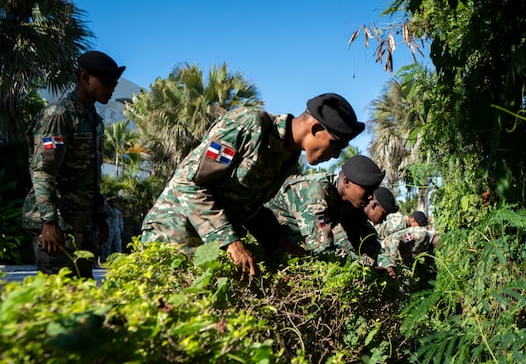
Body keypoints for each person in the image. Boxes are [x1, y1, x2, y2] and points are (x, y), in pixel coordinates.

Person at [141, 93, 365, 276]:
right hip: (173, 234)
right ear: (315, 128)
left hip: (209, 247)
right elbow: (189, 183)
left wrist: (282, 243)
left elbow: (249, 208)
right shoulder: (249, 125)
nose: (336, 155)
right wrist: (230, 241)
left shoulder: (288, 159)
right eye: (336, 145)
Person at [22, 50, 125, 278]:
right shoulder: (58, 115)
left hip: (82, 224)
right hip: (57, 226)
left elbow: (90, 174)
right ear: (85, 77)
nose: (112, 88)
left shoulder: (94, 120)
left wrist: (100, 215)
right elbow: (43, 170)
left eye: (114, 83)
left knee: (82, 299)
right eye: (107, 81)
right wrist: (49, 222)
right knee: (58, 298)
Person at [260, 155, 393, 269]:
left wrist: (386, 263)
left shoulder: (350, 201)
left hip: (296, 245)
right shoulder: (315, 192)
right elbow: (322, 249)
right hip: (271, 240)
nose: (371, 197)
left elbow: (366, 236)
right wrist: (363, 265)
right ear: (347, 182)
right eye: (367, 190)